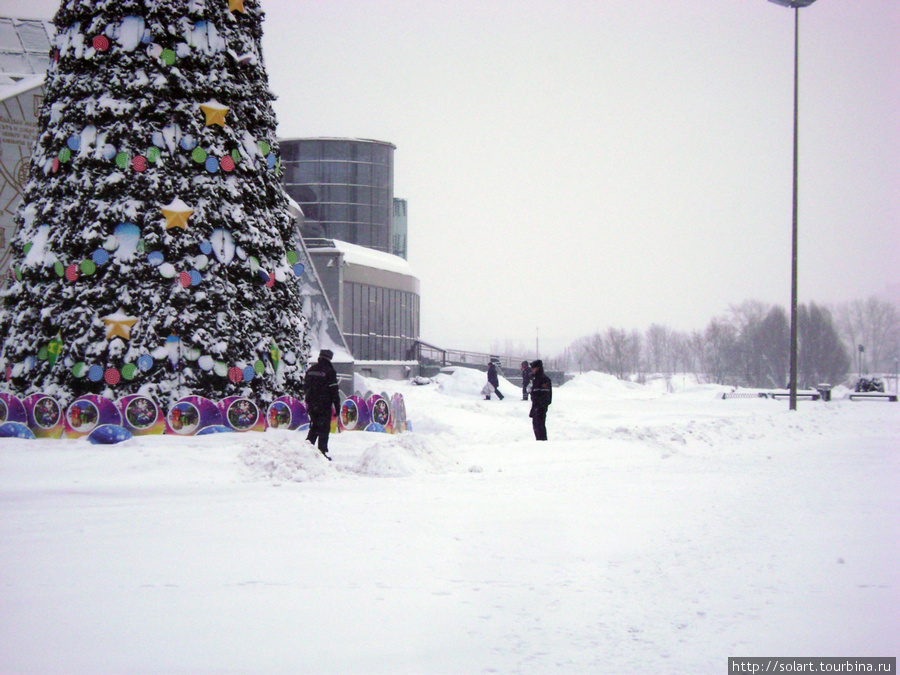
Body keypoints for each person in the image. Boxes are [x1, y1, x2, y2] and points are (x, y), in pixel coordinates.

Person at [304, 348, 341, 460]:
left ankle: (306, 450)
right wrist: (337, 405)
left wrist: (310, 401)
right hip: (324, 404)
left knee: (314, 426)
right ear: (330, 358)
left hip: (312, 404)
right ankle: (322, 452)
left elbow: (305, 387)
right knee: (324, 428)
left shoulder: (311, 369)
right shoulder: (329, 371)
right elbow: (333, 390)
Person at [528, 359, 552, 441]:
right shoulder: (536, 379)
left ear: (537, 368)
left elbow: (545, 396)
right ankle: (540, 442)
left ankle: (542, 443)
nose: (532, 370)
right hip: (536, 407)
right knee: (536, 426)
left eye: (533, 368)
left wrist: (540, 406)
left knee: (540, 426)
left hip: (540, 407)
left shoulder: (543, 379)